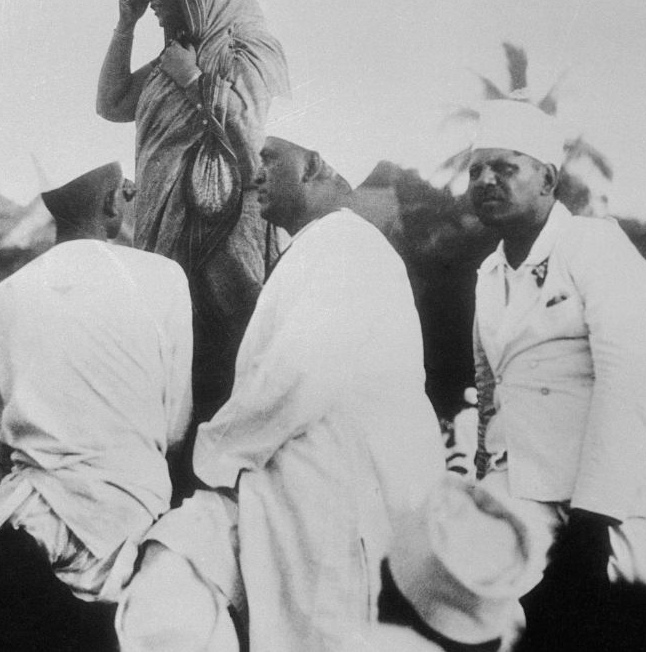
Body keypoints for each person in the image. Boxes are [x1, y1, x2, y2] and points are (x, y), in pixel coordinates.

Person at [116, 138, 445, 651]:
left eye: (270, 158)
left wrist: (208, 456)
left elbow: (294, 379)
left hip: (342, 511)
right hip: (313, 507)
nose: (255, 175)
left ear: (313, 164)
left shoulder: (346, 245)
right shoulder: (320, 247)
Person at [0, 161, 193, 650]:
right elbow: (174, 428)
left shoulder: (3, 298)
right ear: (113, 202)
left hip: (24, 525)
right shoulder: (165, 278)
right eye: (128, 192)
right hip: (127, 533)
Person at [465, 99, 646, 626]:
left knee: (602, 623)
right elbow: (490, 396)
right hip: (531, 487)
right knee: (470, 597)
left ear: (547, 179)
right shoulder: (489, 274)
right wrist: (487, 487)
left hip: (632, 494)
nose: (485, 181)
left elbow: (629, 384)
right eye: (476, 169)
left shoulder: (597, 246)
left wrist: (592, 526)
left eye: (505, 167)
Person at [96, 0, 290, 449]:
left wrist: (196, 81)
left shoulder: (250, 47)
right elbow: (111, 102)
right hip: (162, 240)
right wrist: (125, 26)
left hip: (226, 236)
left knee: (227, 364)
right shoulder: (171, 55)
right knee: (167, 368)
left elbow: (252, 144)